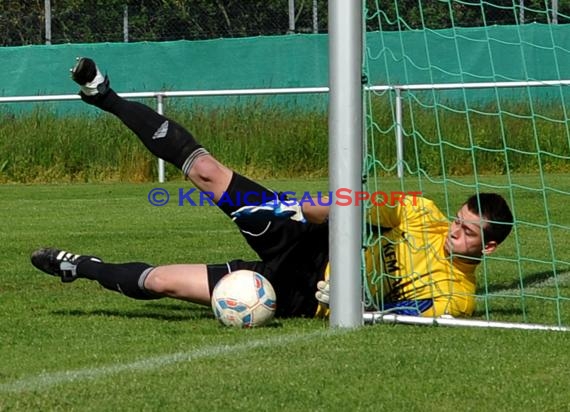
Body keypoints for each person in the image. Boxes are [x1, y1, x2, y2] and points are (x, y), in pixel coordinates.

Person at [30, 57, 514, 319]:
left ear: (488, 247)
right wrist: (299, 210)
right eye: (458, 220)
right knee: (206, 172)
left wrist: (356, 304)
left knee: (162, 282)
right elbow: (352, 203)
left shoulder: (459, 298)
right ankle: (107, 96)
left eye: (468, 232)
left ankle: (83, 267)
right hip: (306, 241)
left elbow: (404, 316)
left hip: (303, 296)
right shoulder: (422, 213)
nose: (454, 231)